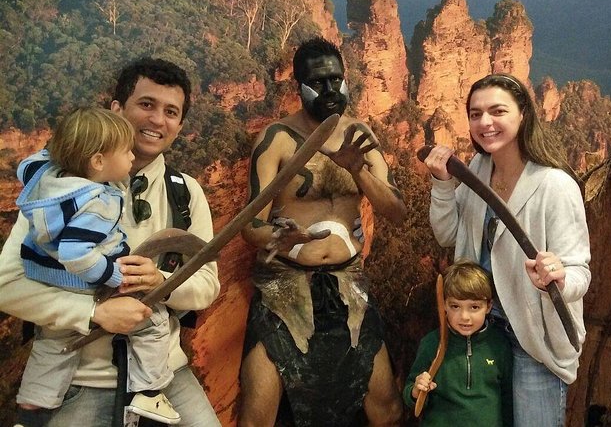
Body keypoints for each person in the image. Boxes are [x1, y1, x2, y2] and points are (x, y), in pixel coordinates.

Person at [0, 58, 221, 426]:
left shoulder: (186, 193)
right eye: (146, 104)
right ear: (117, 109)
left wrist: (161, 283)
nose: (157, 120)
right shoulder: (59, 189)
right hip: (79, 380)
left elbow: (207, 285)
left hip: (165, 376)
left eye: (171, 112)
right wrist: (92, 313)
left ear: (179, 126)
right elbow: (7, 284)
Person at [239, 37, 406, 426]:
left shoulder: (360, 135)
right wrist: (280, 237)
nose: (331, 90)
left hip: (349, 285)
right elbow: (249, 224)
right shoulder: (277, 139)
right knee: (258, 414)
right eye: (318, 82)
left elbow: (396, 211)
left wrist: (358, 169)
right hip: (284, 285)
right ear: (298, 87)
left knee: (387, 409)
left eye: (336, 79)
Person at [423, 73, 591, 427]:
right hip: (481, 331)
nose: (485, 122)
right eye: (476, 114)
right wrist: (442, 184)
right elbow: (448, 235)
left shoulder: (555, 186)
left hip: (532, 339)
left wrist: (558, 277)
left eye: (498, 111)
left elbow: (580, 272)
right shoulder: (478, 169)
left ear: (523, 114)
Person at [14, 107, 180, 425]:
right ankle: (148, 392)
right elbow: (76, 254)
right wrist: (114, 276)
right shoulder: (98, 203)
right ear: (99, 162)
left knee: (54, 342)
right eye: (126, 152)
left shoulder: (45, 178)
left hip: (47, 276)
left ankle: (31, 410)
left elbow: (29, 163)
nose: (131, 157)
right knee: (152, 320)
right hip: (85, 280)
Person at [403, 259, 513, 426]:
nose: (464, 317)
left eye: (474, 307)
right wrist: (416, 391)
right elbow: (410, 394)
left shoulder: (499, 345)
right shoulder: (431, 343)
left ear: (489, 306)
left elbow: (507, 399)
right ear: (444, 305)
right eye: (455, 306)